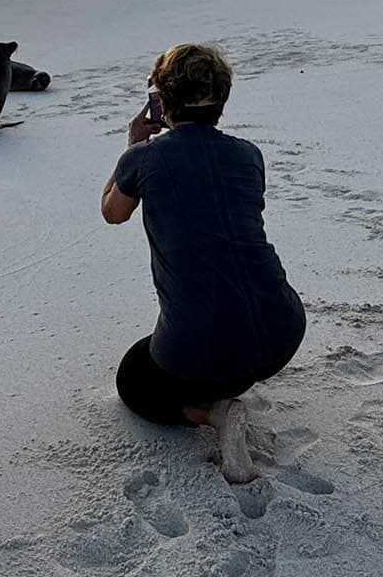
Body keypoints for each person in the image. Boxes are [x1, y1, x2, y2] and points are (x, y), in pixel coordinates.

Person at [101, 42, 305, 485]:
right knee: (208, 331)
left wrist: (133, 145)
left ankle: (212, 413)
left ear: (162, 101)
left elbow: (112, 211)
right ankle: (224, 386)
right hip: (282, 330)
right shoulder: (249, 155)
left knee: (134, 379)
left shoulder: (145, 157)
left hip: (200, 346)